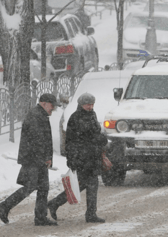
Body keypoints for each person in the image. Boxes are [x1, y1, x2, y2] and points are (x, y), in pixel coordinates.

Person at [0, 94, 60, 226]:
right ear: (44, 103)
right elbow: (36, 140)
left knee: (43, 187)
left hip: (39, 159)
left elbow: (43, 139)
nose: (54, 108)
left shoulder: (41, 115)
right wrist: (44, 157)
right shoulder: (35, 116)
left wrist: (47, 158)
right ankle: (4, 206)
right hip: (33, 159)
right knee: (30, 186)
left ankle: (40, 217)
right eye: (52, 105)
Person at [47, 93, 107, 223]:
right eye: (87, 104)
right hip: (83, 158)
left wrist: (101, 139)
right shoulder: (75, 118)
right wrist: (72, 159)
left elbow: (94, 134)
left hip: (92, 156)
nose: (90, 107)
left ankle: (57, 204)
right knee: (86, 184)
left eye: (92, 104)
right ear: (81, 104)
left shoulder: (92, 115)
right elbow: (71, 141)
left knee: (87, 184)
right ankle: (89, 214)